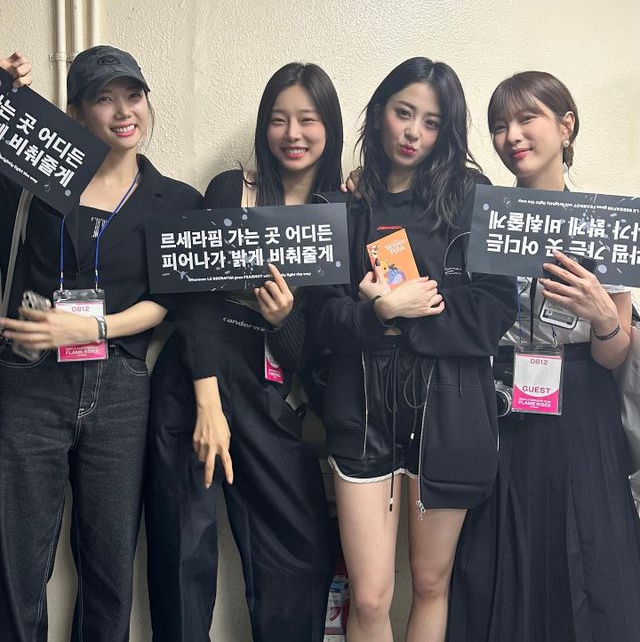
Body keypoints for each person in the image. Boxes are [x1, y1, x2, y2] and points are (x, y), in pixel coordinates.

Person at [306, 57, 517, 642]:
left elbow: (494, 309)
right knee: (370, 594)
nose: (413, 133)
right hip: (360, 407)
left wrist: (410, 315)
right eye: (404, 113)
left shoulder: (472, 197)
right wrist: (379, 313)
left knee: (429, 581)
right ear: (379, 113)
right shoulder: (342, 204)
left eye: (430, 122)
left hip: (448, 405)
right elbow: (321, 318)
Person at [0, 46, 201, 642]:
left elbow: (167, 299)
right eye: (103, 99)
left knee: (110, 566)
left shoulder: (175, 201)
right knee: (17, 564)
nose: (123, 111)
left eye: (133, 96)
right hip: (31, 380)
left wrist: (94, 327)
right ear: (74, 113)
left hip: (119, 388)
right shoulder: (29, 184)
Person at [146, 62, 341, 641]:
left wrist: (284, 320)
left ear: (328, 127)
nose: (293, 133)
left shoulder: (338, 214)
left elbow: (309, 352)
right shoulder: (232, 189)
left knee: (300, 550)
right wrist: (207, 404)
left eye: (308, 119)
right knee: (182, 552)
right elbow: (195, 299)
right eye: (279, 119)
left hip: (267, 386)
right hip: (194, 379)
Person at [447, 71, 640, 642]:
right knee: (495, 560)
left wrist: (604, 318)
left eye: (526, 118)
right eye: (499, 125)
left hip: (581, 407)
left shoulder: (605, 223)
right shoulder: (479, 219)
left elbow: (615, 356)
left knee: (587, 557)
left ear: (565, 125)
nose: (511, 136)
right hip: (498, 401)